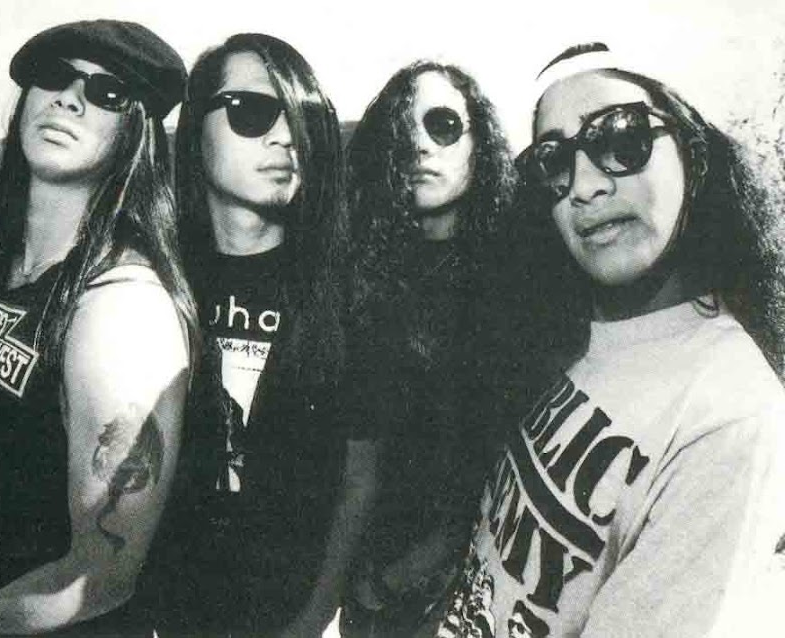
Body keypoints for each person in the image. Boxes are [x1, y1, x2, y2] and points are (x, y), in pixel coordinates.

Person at [437, 43, 785, 637]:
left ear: (694, 154)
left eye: (622, 139)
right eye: (554, 161)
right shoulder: (572, 335)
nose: (584, 186)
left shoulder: (729, 418)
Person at [0, 20, 197, 637]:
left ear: (134, 133)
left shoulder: (119, 307)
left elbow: (102, 575)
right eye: (55, 76)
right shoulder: (2, 261)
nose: (70, 99)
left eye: (107, 93)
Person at [152, 32, 374, 636]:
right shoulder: (154, 283)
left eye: (303, 117)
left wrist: (313, 619)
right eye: (251, 111)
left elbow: (358, 480)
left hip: (287, 615)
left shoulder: (346, 291)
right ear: (195, 129)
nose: (285, 137)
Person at [340, 61, 518, 638]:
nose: (419, 144)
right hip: (365, 587)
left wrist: (401, 575)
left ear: (479, 143)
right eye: (402, 128)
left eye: (443, 125)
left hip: (463, 591)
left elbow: (491, 462)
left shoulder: (516, 279)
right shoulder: (361, 270)